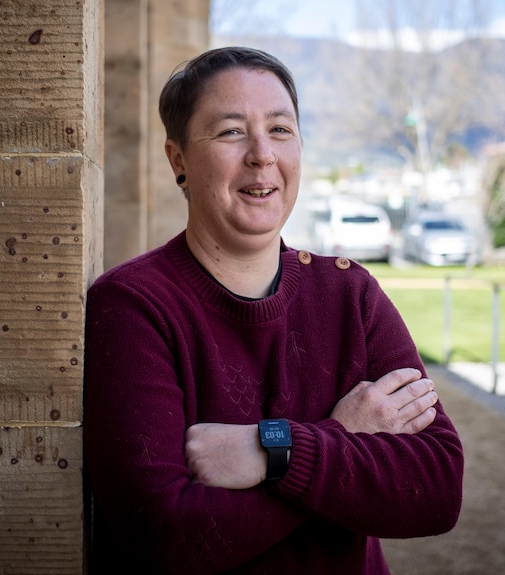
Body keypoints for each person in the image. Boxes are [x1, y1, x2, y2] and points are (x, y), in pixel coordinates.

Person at [84, 46, 463, 574]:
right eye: (231, 131)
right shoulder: (131, 306)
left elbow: (436, 487)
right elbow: (164, 539)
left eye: (281, 130)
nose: (262, 154)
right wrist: (341, 436)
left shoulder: (350, 295)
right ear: (178, 161)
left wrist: (268, 451)